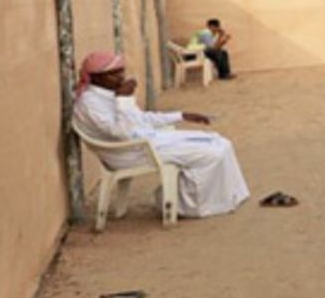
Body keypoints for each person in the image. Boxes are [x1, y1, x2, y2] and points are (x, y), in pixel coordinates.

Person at [72, 51, 251, 217]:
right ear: (95, 78)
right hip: (130, 152)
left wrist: (181, 115)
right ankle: (187, 205)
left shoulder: (111, 94)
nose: (121, 77)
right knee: (212, 154)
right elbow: (122, 133)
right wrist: (124, 100)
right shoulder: (91, 103)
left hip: (145, 141)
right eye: (113, 73)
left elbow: (141, 119)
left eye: (121, 71)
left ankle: (229, 197)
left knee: (220, 142)